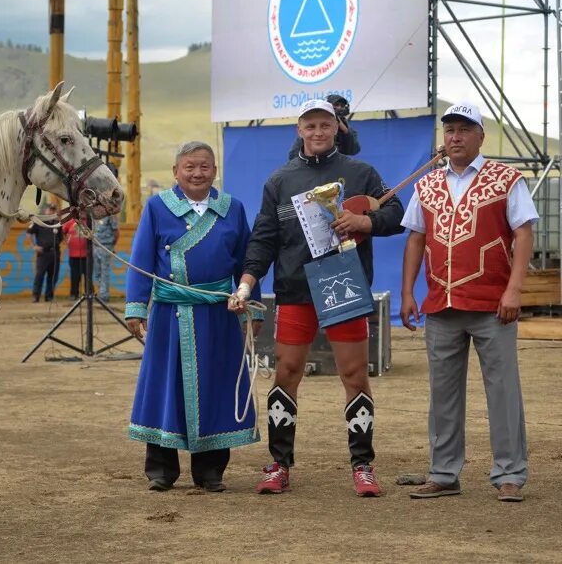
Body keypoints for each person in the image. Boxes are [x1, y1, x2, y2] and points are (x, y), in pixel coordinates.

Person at [230, 98, 404, 497]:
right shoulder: (279, 181)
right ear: (299, 130)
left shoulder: (361, 173)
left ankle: (363, 465)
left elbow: (397, 214)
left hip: (343, 282)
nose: (318, 132)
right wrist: (247, 282)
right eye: (310, 126)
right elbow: (264, 239)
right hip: (294, 288)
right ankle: (279, 464)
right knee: (286, 373)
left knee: (354, 375)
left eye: (325, 124)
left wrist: (365, 221)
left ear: (337, 127)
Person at [400, 102, 537, 503]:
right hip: (441, 302)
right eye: (449, 131)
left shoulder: (507, 179)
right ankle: (443, 474)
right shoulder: (426, 184)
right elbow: (415, 238)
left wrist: (515, 290)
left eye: (463, 130)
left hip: (494, 303)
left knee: (503, 391)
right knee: (442, 393)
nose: (455, 137)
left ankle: (510, 473)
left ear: (481, 136)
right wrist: (408, 292)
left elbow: (524, 234)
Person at [125, 141, 263, 492]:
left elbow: (248, 261)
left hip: (218, 315)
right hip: (170, 317)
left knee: (216, 386)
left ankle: (211, 471)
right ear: (176, 172)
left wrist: (252, 307)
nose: (197, 173)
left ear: (215, 171)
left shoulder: (232, 208)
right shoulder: (157, 208)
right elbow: (140, 259)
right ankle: (161, 470)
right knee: (164, 387)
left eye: (204, 166)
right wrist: (137, 307)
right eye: (189, 167)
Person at [287, 94, 360, 160]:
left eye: (342, 105)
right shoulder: (311, 131)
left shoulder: (346, 128)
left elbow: (354, 150)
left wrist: (344, 129)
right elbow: (293, 155)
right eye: (336, 104)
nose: (339, 107)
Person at [27, 203, 63, 303]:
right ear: (45, 211)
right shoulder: (39, 222)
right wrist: (33, 246)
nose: (51, 211)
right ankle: (36, 295)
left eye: (53, 210)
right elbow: (29, 233)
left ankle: (49, 296)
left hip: (55, 253)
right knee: (39, 275)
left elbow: (60, 238)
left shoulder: (57, 223)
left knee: (53, 276)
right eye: (50, 209)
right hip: (43, 253)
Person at [93, 211, 120, 302]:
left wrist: (111, 245)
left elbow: (116, 232)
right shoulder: (94, 214)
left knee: (104, 271)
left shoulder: (110, 214)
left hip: (106, 245)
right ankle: (101, 291)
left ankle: (104, 295)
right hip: (95, 245)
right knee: (97, 272)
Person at [62, 213, 88, 299]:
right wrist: (66, 241)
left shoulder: (88, 222)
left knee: (88, 277)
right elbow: (62, 231)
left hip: (87, 255)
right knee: (74, 276)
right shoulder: (70, 222)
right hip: (73, 255)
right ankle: (74, 294)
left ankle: (88, 294)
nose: (81, 213)